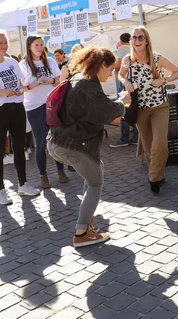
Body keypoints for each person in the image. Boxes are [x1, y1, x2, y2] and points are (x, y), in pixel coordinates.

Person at [47, 46, 130, 247]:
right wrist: (122, 102)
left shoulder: (80, 78)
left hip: (60, 141)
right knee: (95, 182)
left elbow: (95, 106)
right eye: (110, 69)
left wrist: (114, 103)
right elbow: (105, 111)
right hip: (72, 144)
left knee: (92, 175)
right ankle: (82, 233)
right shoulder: (88, 85)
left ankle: (88, 225)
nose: (111, 74)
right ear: (102, 65)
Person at [118, 26, 178, 194]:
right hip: (139, 109)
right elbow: (120, 74)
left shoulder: (156, 58)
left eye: (140, 37)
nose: (137, 41)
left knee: (160, 142)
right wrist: (125, 82)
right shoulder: (128, 59)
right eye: (134, 38)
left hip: (159, 107)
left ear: (146, 40)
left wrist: (163, 80)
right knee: (148, 146)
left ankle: (153, 178)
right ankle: (159, 176)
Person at [19, 36, 69, 189]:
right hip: (34, 107)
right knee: (40, 143)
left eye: (41, 44)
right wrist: (36, 83)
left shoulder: (50, 61)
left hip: (51, 104)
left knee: (56, 138)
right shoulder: (23, 64)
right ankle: (43, 176)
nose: (40, 47)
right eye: (36, 45)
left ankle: (61, 171)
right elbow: (21, 87)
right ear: (29, 46)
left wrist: (50, 81)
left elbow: (58, 80)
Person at [0, 32, 40, 204]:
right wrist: (2, 92)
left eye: (5, 42)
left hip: (17, 107)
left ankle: (22, 184)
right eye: (0, 42)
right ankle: (1, 190)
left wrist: (20, 89)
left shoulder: (13, 62)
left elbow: (22, 84)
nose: (3, 45)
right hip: (1, 110)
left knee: (20, 147)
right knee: (1, 150)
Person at [110, 32, 138, 148]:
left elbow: (117, 67)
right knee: (135, 109)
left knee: (123, 110)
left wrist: (119, 77)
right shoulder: (134, 48)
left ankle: (124, 138)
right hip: (135, 83)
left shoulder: (122, 49)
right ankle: (137, 137)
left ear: (121, 40)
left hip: (125, 83)